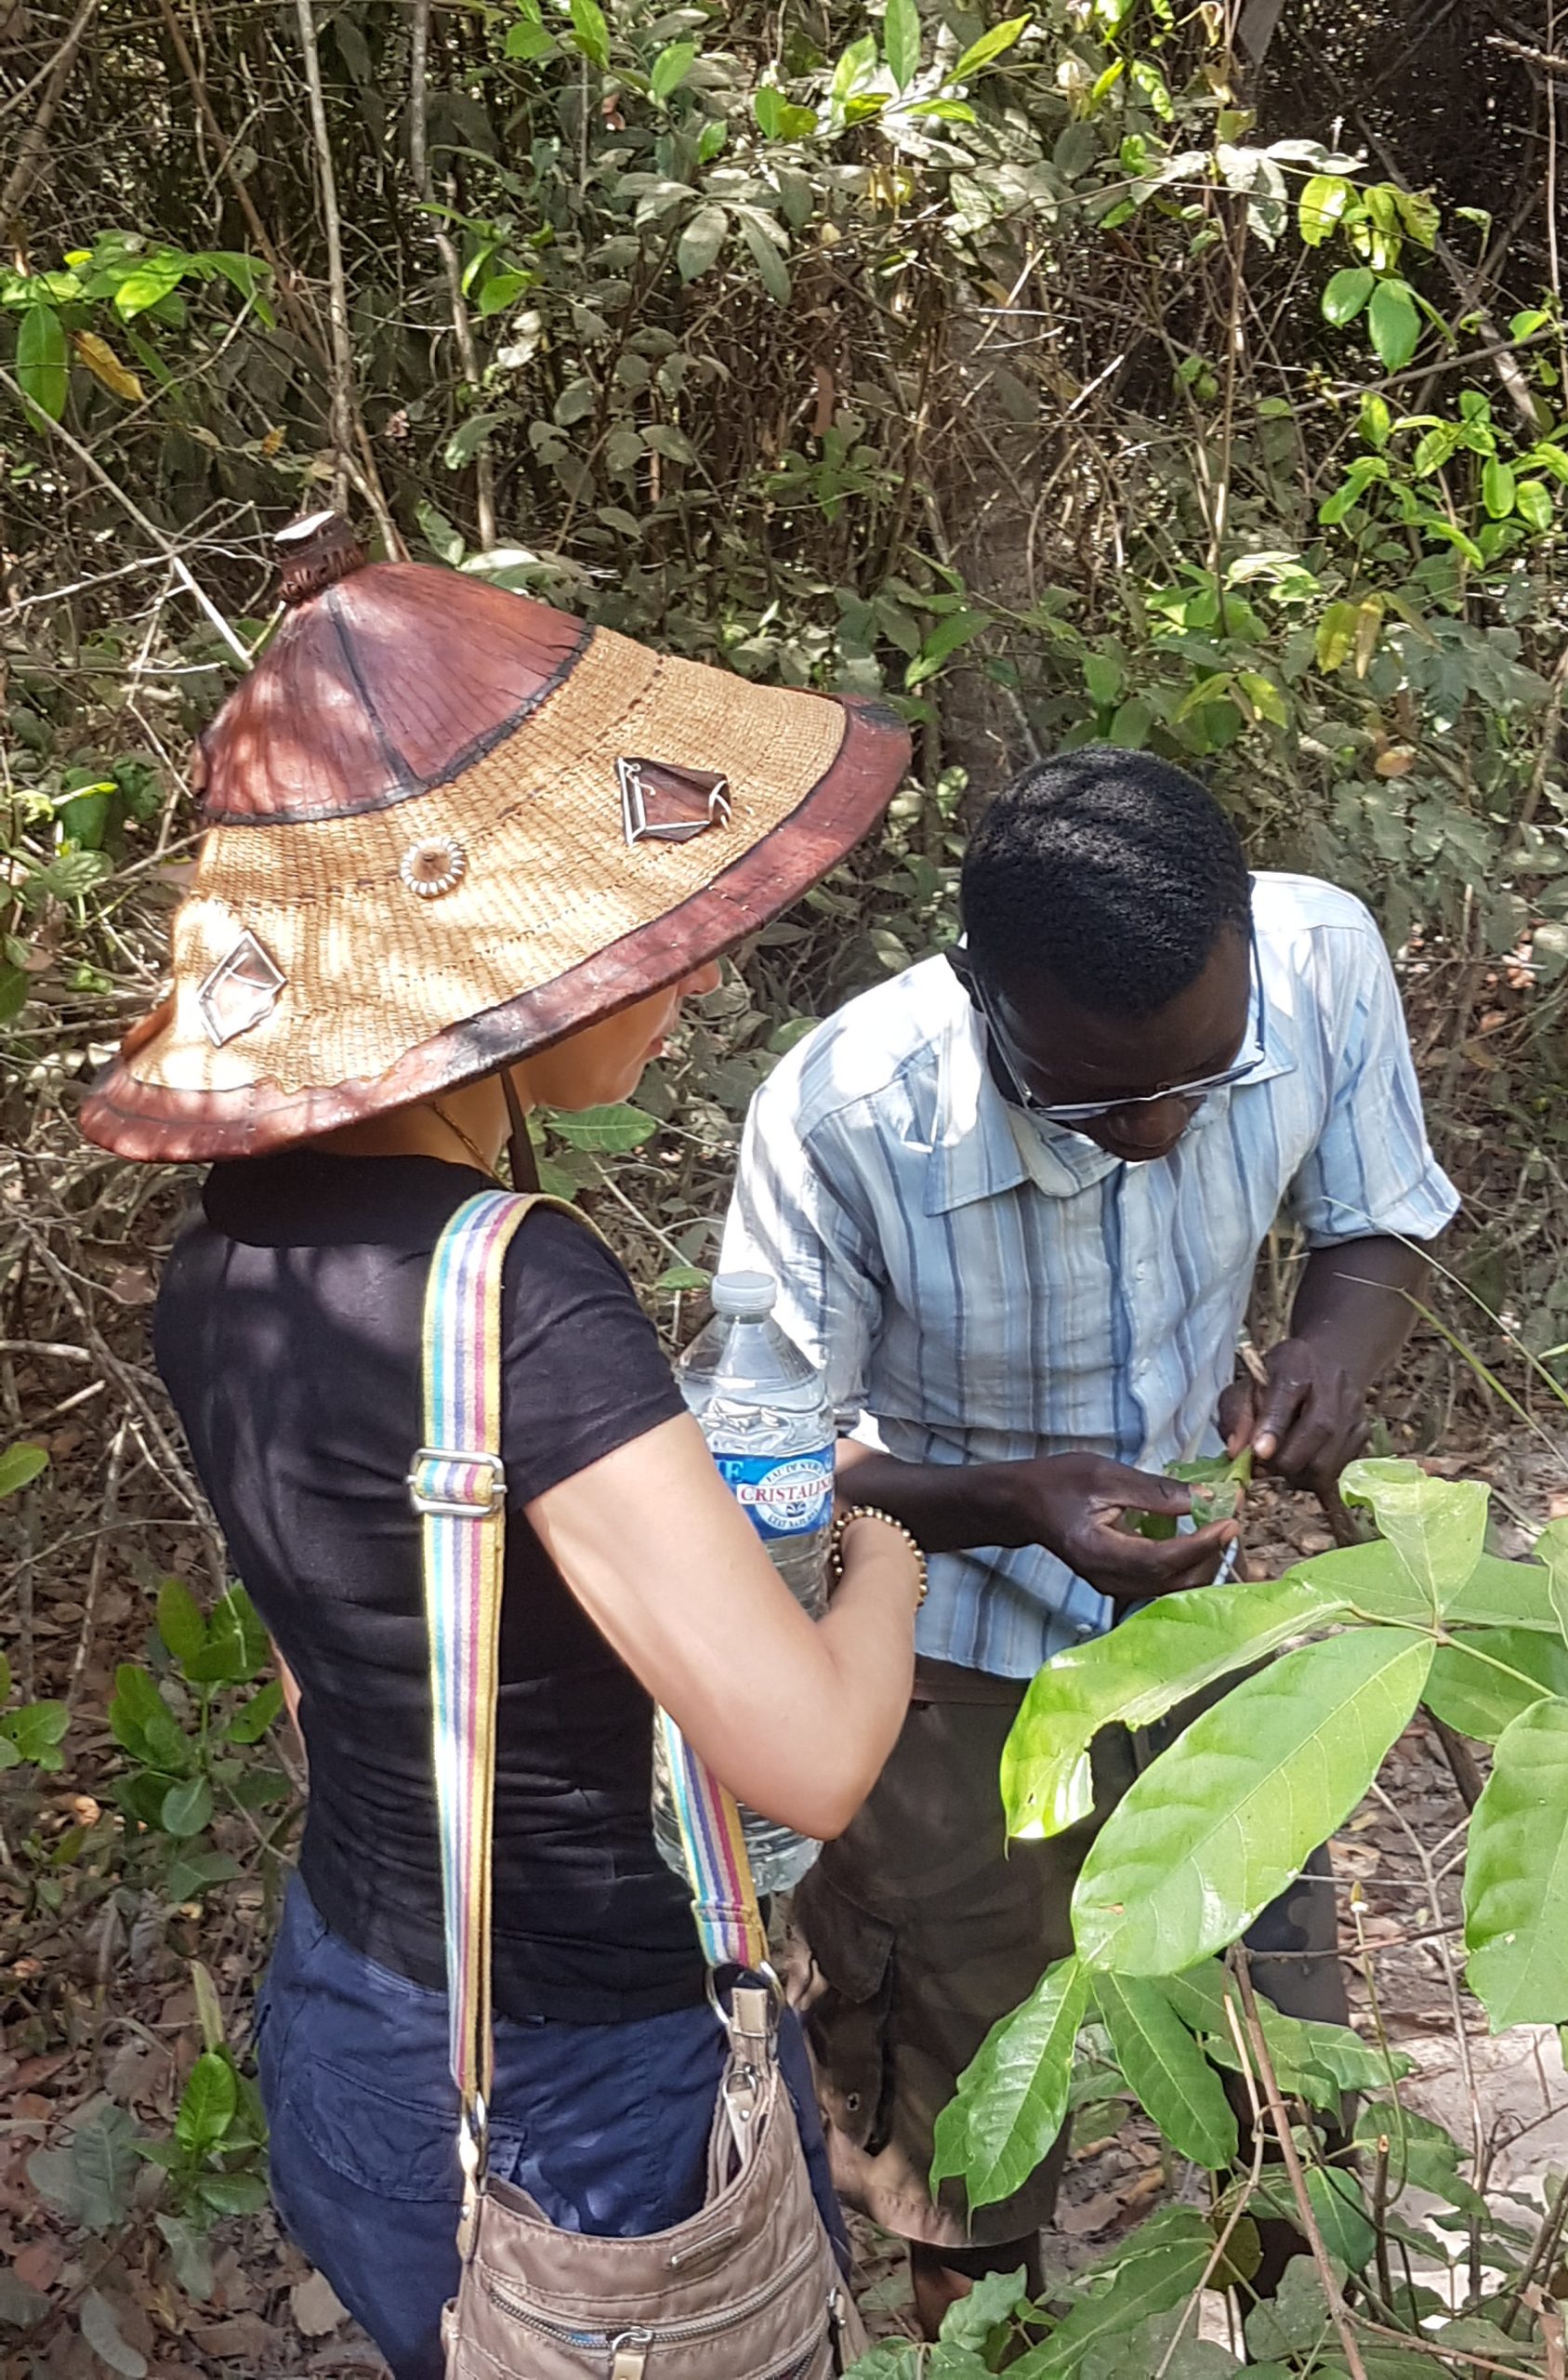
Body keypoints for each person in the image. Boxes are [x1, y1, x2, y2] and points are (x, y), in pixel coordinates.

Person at [80, 511, 926, 2380]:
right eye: (658, 935)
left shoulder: (225, 1259)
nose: (698, 971)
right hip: (581, 2089)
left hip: (360, 2020)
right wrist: (889, 1548)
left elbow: (337, 1676)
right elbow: (811, 1749)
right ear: (494, 968)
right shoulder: (516, 1289)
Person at [722, 745, 1460, 2334]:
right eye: (1097, 1097)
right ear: (980, 988)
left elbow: (1378, 1215)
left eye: (1206, 1078)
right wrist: (1003, 1499)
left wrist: (1337, 1348)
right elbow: (769, 1462)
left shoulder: (1320, 958)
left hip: (1209, 1632)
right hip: (939, 1658)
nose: (1162, 1134)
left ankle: (1297, 2339)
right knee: (959, 2101)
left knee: (1283, 2044)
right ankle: (992, 2355)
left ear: (1247, 956)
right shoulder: (847, 1118)